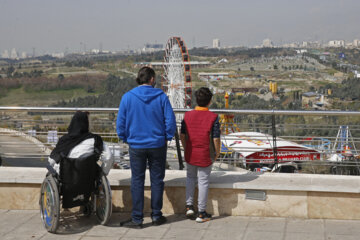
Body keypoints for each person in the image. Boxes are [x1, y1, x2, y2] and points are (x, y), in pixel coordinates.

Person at [116, 66, 176, 228]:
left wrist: (125, 138)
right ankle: (156, 215)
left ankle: (137, 218)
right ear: (151, 79)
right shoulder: (161, 97)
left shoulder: (127, 97)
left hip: (136, 145)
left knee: (137, 180)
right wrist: (167, 137)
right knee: (157, 180)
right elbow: (170, 121)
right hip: (157, 145)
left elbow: (120, 123)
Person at [180, 87, 221, 223]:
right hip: (204, 154)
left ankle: (189, 206)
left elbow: (182, 135)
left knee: (190, 178)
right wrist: (217, 153)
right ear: (209, 102)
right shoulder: (213, 117)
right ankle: (201, 213)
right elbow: (215, 138)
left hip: (191, 153)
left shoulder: (187, 116)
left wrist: (186, 148)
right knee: (203, 182)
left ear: (196, 100)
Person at [48, 111, 113, 176]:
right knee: (97, 163)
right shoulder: (95, 139)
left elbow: (52, 160)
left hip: (66, 179)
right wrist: (103, 173)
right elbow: (108, 157)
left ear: (72, 123)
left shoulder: (64, 141)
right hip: (90, 179)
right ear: (86, 124)